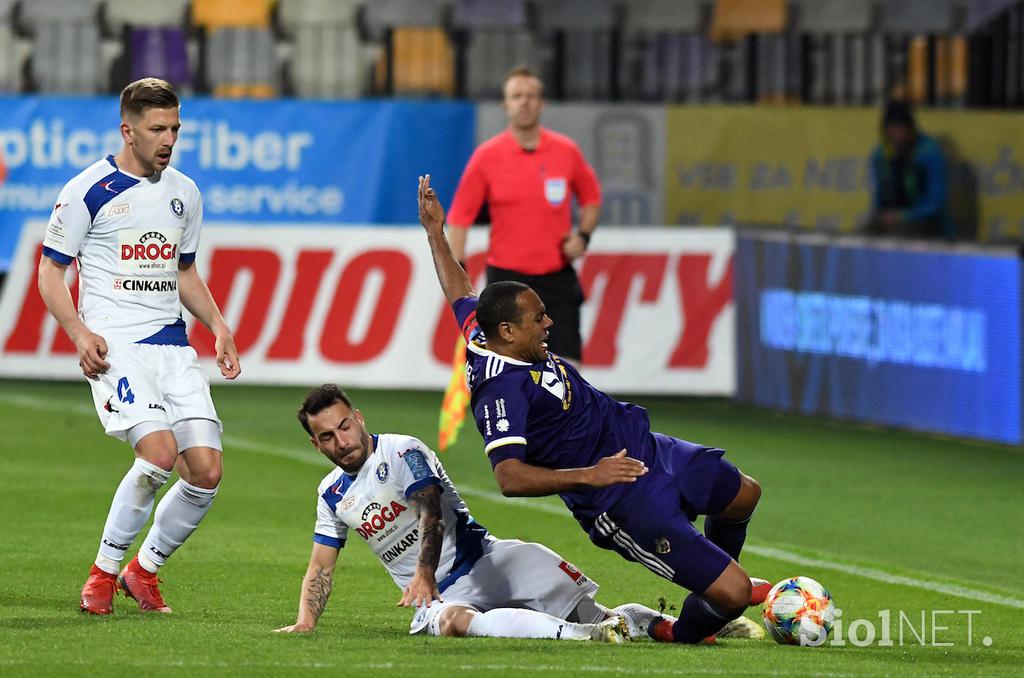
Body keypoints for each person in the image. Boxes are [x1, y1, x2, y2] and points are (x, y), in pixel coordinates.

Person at [417, 174, 767, 644]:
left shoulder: (482, 330)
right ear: (508, 331)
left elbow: (459, 289)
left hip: (643, 448)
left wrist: (435, 232)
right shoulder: (500, 392)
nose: (549, 322)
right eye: (537, 318)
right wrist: (591, 474)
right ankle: (688, 628)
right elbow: (509, 477)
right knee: (735, 591)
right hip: (618, 498)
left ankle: (715, 594)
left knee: (744, 493)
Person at [37, 78, 240, 615]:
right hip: (117, 345)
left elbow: (185, 271)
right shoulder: (88, 190)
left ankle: (142, 572)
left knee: (206, 471)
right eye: (157, 129)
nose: (168, 138)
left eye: (174, 127)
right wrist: (81, 334)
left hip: (173, 348)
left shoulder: (185, 193)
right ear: (128, 130)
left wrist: (218, 325)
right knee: (158, 455)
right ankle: (101, 576)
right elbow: (50, 275)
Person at [274, 384, 664, 642]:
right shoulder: (330, 494)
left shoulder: (401, 450)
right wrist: (306, 622)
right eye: (327, 436)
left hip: (488, 560)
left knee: (598, 613)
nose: (341, 441)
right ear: (315, 444)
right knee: (454, 622)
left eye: (344, 426)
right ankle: (581, 638)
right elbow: (321, 567)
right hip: (439, 595)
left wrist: (422, 573)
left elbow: (431, 511)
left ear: (358, 418)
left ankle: (683, 627)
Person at [445, 66, 601, 362]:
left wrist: (583, 235)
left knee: (569, 373)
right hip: (507, 282)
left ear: (542, 103)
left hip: (557, 279)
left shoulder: (566, 151)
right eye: (517, 96)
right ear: (505, 105)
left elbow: (592, 198)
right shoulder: (487, 157)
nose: (524, 102)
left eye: (530, 96)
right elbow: (459, 219)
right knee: (509, 372)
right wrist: (460, 279)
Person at [867, 100, 954, 239]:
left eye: (900, 129)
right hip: (893, 218)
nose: (897, 135)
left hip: (928, 222)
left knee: (897, 236)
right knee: (864, 234)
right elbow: (879, 194)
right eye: (892, 129)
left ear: (910, 129)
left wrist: (902, 216)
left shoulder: (929, 153)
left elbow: (936, 202)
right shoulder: (881, 155)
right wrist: (882, 215)